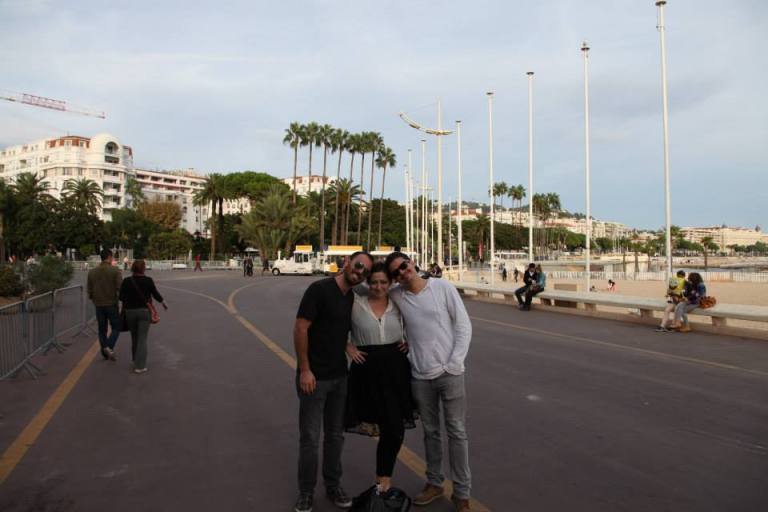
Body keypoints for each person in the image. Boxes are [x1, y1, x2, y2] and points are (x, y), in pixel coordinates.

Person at [385, 252, 473, 512]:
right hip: (420, 376)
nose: (402, 273)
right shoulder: (397, 294)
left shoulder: (442, 287)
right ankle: (435, 483)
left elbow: (463, 325)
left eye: (404, 266)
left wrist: (454, 362)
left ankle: (462, 493)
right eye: (396, 272)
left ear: (412, 262)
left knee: (457, 432)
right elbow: (369, 288)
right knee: (431, 432)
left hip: (450, 374)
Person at [293, 251, 374, 512]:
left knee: (335, 437)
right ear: (347, 262)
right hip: (314, 378)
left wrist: (347, 345)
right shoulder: (319, 290)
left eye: (366, 271)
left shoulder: (351, 296)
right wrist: (305, 370)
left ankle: (333, 485)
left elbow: (336, 329)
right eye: (358, 265)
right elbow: (301, 328)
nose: (360, 272)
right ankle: (306, 492)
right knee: (310, 438)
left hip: (340, 377)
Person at [345, 262, 415, 495]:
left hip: (396, 369)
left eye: (383, 282)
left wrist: (409, 341)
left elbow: (419, 324)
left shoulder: (399, 303)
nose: (378, 286)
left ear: (391, 282)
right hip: (366, 369)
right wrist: (348, 346)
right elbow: (333, 325)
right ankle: (333, 481)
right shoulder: (355, 303)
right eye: (374, 282)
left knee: (394, 428)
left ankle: (383, 479)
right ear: (367, 282)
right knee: (374, 421)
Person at [119, 259, 167, 374]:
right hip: (144, 312)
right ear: (143, 269)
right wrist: (163, 302)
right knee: (142, 338)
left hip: (130, 312)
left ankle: (135, 359)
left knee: (134, 337)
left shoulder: (126, 281)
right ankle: (140, 366)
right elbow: (155, 293)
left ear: (133, 268)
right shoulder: (148, 280)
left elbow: (121, 297)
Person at [87, 248, 123, 361]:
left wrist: (94, 298)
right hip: (111, 303)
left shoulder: (92, 272)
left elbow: (89, 289)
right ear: (109, 257)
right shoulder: (115, 271)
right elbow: (120, 287)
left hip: (98, 304)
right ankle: (109, 347)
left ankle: (105, 352)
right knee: (116, 327)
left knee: (102, 329)